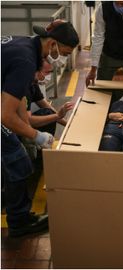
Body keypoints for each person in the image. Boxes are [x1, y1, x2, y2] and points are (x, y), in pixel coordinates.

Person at [1, 20, 79, 237]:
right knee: (18, 160)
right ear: (52, 44)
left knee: (15, 157)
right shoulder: (25, 61)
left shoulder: (26, 45)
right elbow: (5, 115)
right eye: (63, 52)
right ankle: (19, 222)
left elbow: (15, 101)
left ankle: (18, 213)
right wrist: (37, 136)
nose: (62, 58)